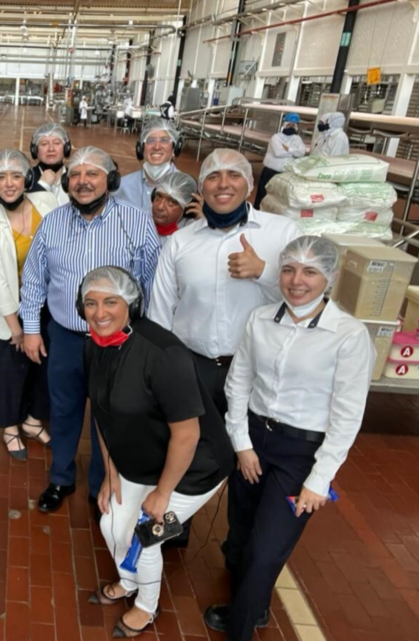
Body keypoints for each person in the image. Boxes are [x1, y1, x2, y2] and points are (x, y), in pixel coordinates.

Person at [203, 236, 374, 641]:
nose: (297, 280)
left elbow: (347, 415)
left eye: (311, 271)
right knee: (240, 536)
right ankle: (254, 605)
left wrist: (319, 480)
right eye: (289, 269)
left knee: (266, 551)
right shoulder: (261, 319)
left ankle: (241, 628)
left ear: (329, 278)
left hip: (301, 453)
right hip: (254, 443)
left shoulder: (348, 336)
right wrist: (241, 443)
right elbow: (238, 382)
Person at [81, 266, 233, 638]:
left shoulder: (164, 354)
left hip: (195, 466)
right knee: (110, 523)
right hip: (141, 457)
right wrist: (111, 471)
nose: (100, 313)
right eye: (90, 303)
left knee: (144, 536)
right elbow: (101, 412)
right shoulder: (95, 345)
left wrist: (163, 495)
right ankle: (129, 581)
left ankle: (146, 606)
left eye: (110, 302)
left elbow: (187, 435)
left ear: (130, 304)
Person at [20, 146, 161, 512]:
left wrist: (142, 337)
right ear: (67, 182)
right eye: (77, 175)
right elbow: (35, 278)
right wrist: (32, 330)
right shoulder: (52, 222)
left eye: (93, 174)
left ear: (110, 180)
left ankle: (101, 485)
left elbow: (151, 281)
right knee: (63, 410)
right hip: (65, 337)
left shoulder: (136, 222)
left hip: (116, 343)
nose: (83, 182)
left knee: (110, 414)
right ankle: (61, 478)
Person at [149, 148, 302, 415]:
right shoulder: (180, 241)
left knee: (247, 450)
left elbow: (309, 299)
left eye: (234, 175)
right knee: (196, 448)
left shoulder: (283, 232)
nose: (223, 184)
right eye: (213, 176)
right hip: (194, 368)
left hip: (258, 369)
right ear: (201, 188)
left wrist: (263, 272)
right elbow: (160, 312)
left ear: (251, 186)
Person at [0, 150, 58, 460]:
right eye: (1, 177)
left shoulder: (47, 204)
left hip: (49, 306)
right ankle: (10, 427)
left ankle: (33, 420)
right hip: (13, 311)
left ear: (26, 178)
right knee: (12, 371)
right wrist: (18, 329)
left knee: (44, 367)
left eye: (15, 176)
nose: (9, 183)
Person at [115, 119, 181, 212]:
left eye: (164, 140)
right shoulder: (123, 186)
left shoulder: (185, 187)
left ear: (175, 148)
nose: (157, 147)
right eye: (151, 140)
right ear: (141, 149)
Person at [255, 113, 306, 209]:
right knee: (263, 195)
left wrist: (288, 149)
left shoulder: (297, 139)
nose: (291, 127)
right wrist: (294, 152)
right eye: (289, 124)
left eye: (293, 125)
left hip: (286, 174)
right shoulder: (276, 137)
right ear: (284, 124)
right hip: (271, 173)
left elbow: (302, 153)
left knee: (279, 199)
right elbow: (278, 153)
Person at [150, 171, 200, 245]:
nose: (160, 206)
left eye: (172, 201)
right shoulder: (139, 223)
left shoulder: (194, 236)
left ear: (187, 208)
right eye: (159, 196)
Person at [27, 122, 71, 205]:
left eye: (56, 143)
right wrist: (42, 186)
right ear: (35, 150)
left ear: (66, 148)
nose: (51, 149)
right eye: (44, 144)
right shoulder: (27, 180)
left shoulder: (76, 178)